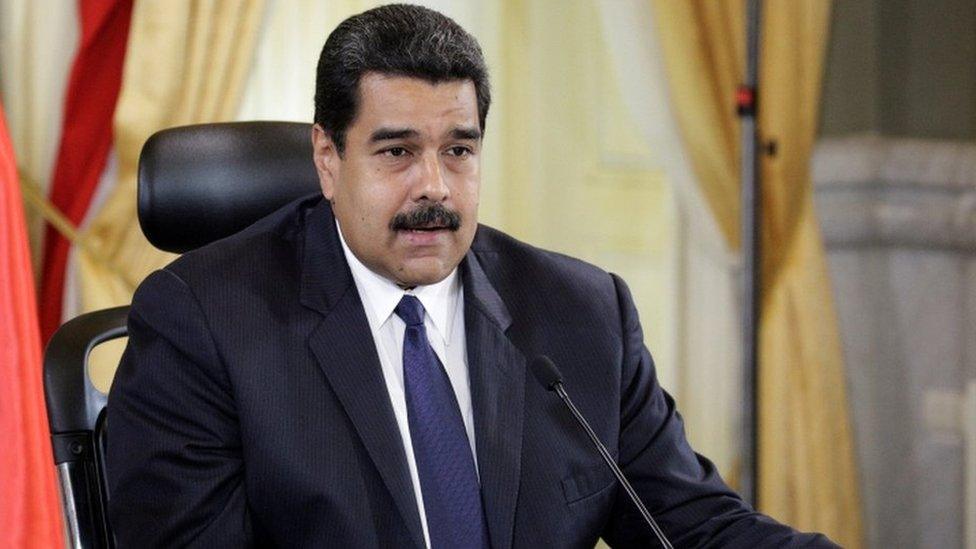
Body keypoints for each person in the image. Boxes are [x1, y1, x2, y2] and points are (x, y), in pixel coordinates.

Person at [106, 4, 837, 548]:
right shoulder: (204, 324)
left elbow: (698, 526)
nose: (436, 189)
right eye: (396, 152)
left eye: (459, 150)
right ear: (328, 159)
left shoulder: (582, 316)